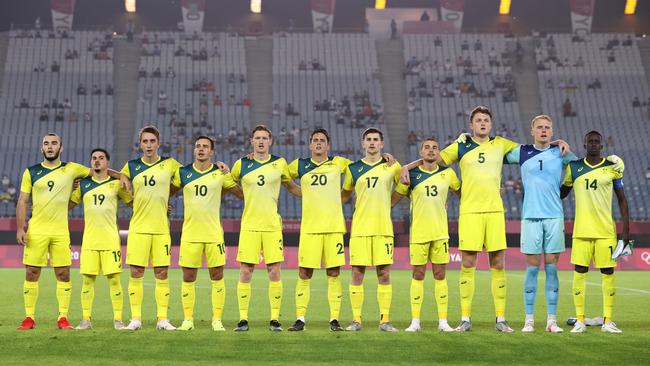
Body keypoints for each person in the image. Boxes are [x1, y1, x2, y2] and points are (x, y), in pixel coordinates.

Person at [400, 106, 567, 332]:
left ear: (491, 123)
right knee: (468, 264)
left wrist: (557, 142)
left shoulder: (501, 143)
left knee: (498, 264)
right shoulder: (461, 145)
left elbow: (534, 149)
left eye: (486, 120)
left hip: (495, 212)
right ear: (471, 124)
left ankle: (500, 319)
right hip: (469, 212)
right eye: (478, 120)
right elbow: (433, 159)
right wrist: (407, 167)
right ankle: (465, 319)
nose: (482, 123)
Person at [16, 133, 128, 330]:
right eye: (46, 144)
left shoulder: (72, 169)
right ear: (42, 148)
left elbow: (98, 171)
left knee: (64, 274)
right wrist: (20, 228)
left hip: (60, 231)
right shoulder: (31, 172)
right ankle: (29, 317)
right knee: (32, 273)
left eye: (54, 143)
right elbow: (23, 200)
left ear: (61, 148)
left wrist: (121, 175)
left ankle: (63, 317)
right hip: (37, 230)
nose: (50, 147)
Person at [229, 125, 301, 332]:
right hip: (249, 225)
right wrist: (240, 193)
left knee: (274, 271)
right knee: (246, 271)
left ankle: (275, 319)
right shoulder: (242, 163)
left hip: (271, 226)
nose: (260, 141)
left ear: (270, 141)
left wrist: (312, 193)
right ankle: (243, 319)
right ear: (251, 141)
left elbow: (292, 187)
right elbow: (227, 182)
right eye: (257, 138)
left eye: (264, 138)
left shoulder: (279, 163)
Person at [561, 131, 629, 333]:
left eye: (596, 142)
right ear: (584, 144)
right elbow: (562, 193)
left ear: (601, 145)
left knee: (608, 274)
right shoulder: (573, 168)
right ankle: (580, 320)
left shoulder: (612, 168)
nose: (593, 144)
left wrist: (626, 231)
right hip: (581, 231)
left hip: (606, 231)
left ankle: (608, 321)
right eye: (589, 141)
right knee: (579, 273)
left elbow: (622, 199)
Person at [393, 137, 461, 332]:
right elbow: (395, 197)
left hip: (440, 233)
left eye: (434, 148)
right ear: (421, 152)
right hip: (419, 234)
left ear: (438, 153)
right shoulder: (411, 175)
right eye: (427, 148)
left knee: (440, 275)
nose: (431, 151)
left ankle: (443, 322)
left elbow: (463, 194)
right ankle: (415, 321)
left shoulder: (448, 173)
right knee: (418, 274)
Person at [286, 129, 350, 332]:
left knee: (334, 273)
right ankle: (300, 319)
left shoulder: (339, 162)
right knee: (304, 273)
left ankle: (334, 320)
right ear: (310, 145)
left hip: (333, 228)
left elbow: (364, 168)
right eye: (315, 140)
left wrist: (387, 158)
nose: (319, 143)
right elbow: (279, 174)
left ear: (328, 145)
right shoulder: (300, 165)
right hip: (310, 228)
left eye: (323, 140)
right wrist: (298, 191)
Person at [174, 136, 241, 332]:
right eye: (198, 146)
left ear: (212, 152)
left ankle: (217, 320)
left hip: (213, 234)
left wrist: (231, 174)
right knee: (188, 276)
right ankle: (188, 320)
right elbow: (166, 191)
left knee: (217, 275)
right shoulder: (183, 172)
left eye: (205, 147)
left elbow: (241, 193)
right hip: (190, 233)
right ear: (194, 150)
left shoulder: (220, 173)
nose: (201, 149)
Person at [120, 126, 182, 331]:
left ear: (158, 143)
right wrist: (130, 200)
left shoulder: (169, 164)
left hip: (161, 229)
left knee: (162, 273)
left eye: (152, 141)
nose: (148, 145)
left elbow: (188, 176)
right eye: (145, 141)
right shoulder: (131, 166)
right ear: (140, 144)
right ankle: (135, 319)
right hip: (138, 228)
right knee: (136, 272)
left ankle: (162, 319)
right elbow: (119, 183)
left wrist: (167, 196)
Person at [341, 128, 402, 332]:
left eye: (376, 140)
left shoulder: (392, 166)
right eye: (369, 140)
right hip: (359, 229)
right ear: (363, 144)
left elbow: (403, 188)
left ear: (382, 144)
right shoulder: (353, 169)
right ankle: (356, 320)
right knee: (357, 274)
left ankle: (384, 321)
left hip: (383, 229)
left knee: (384, 275)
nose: (372, 143)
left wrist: (389, 204)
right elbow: (345, 194)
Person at [69, 148, 133, 330]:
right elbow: (67, 205)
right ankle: (86, 320)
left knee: (114, 280)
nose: (97, 161)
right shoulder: (83, 185)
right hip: (89, 241)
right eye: (94, 158)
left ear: (107, 162)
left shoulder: (116, 184)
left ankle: (118, 320)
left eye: (101, 158)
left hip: (110, 240)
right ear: (91, 162)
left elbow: (134, 203)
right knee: (87, 280)